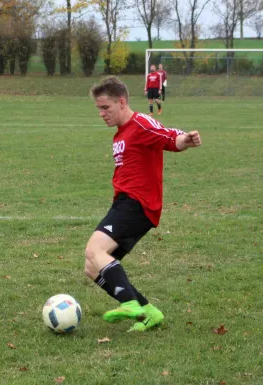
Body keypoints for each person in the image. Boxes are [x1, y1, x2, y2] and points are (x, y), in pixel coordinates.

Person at [85, 76, 201, 332]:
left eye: (106, 107)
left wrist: (186, 140)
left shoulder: (140, 123)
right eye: (99, 109)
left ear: (122, 102)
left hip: (137, 204)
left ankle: (129, 304)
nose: (102, 114)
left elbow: (169, 138)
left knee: (94, 250)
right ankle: (149, 313)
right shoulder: (120, 134)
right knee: (93, 268)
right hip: (125, 204)